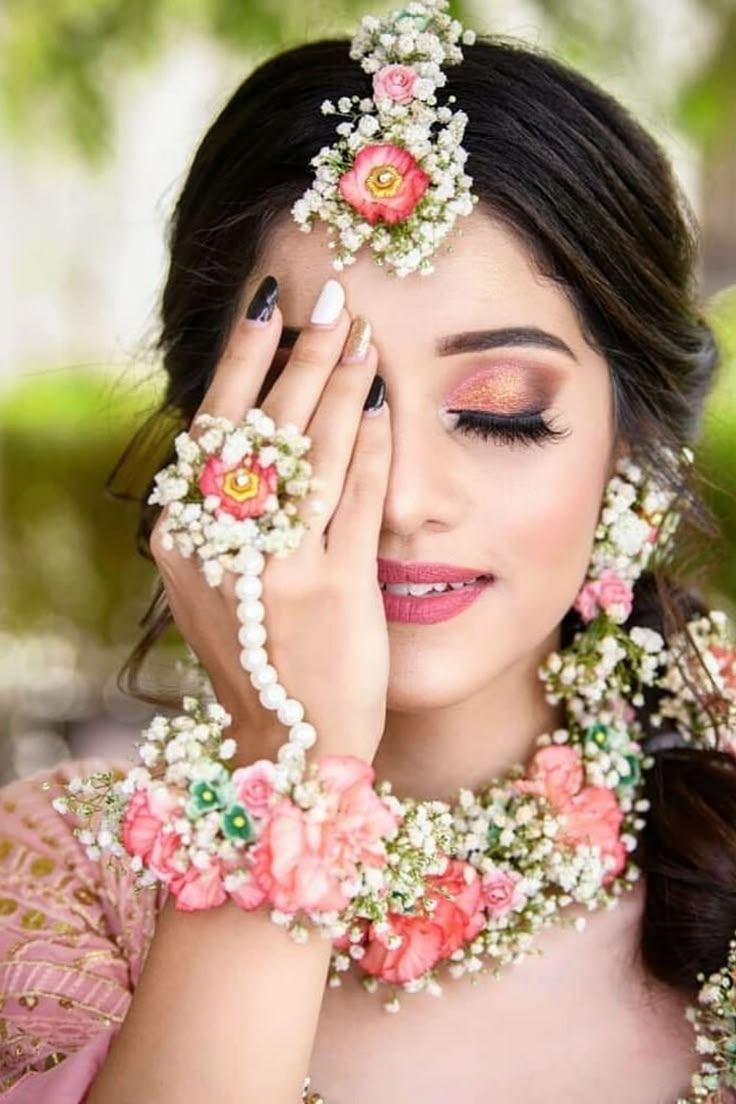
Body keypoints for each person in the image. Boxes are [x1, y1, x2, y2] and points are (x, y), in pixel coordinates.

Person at [2, 3, 736, 1102]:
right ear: (209, 436)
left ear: (626, 449)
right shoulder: (52, 880)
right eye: (329, 405)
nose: (401, 503)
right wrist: (285, 774)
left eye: (500, 410)